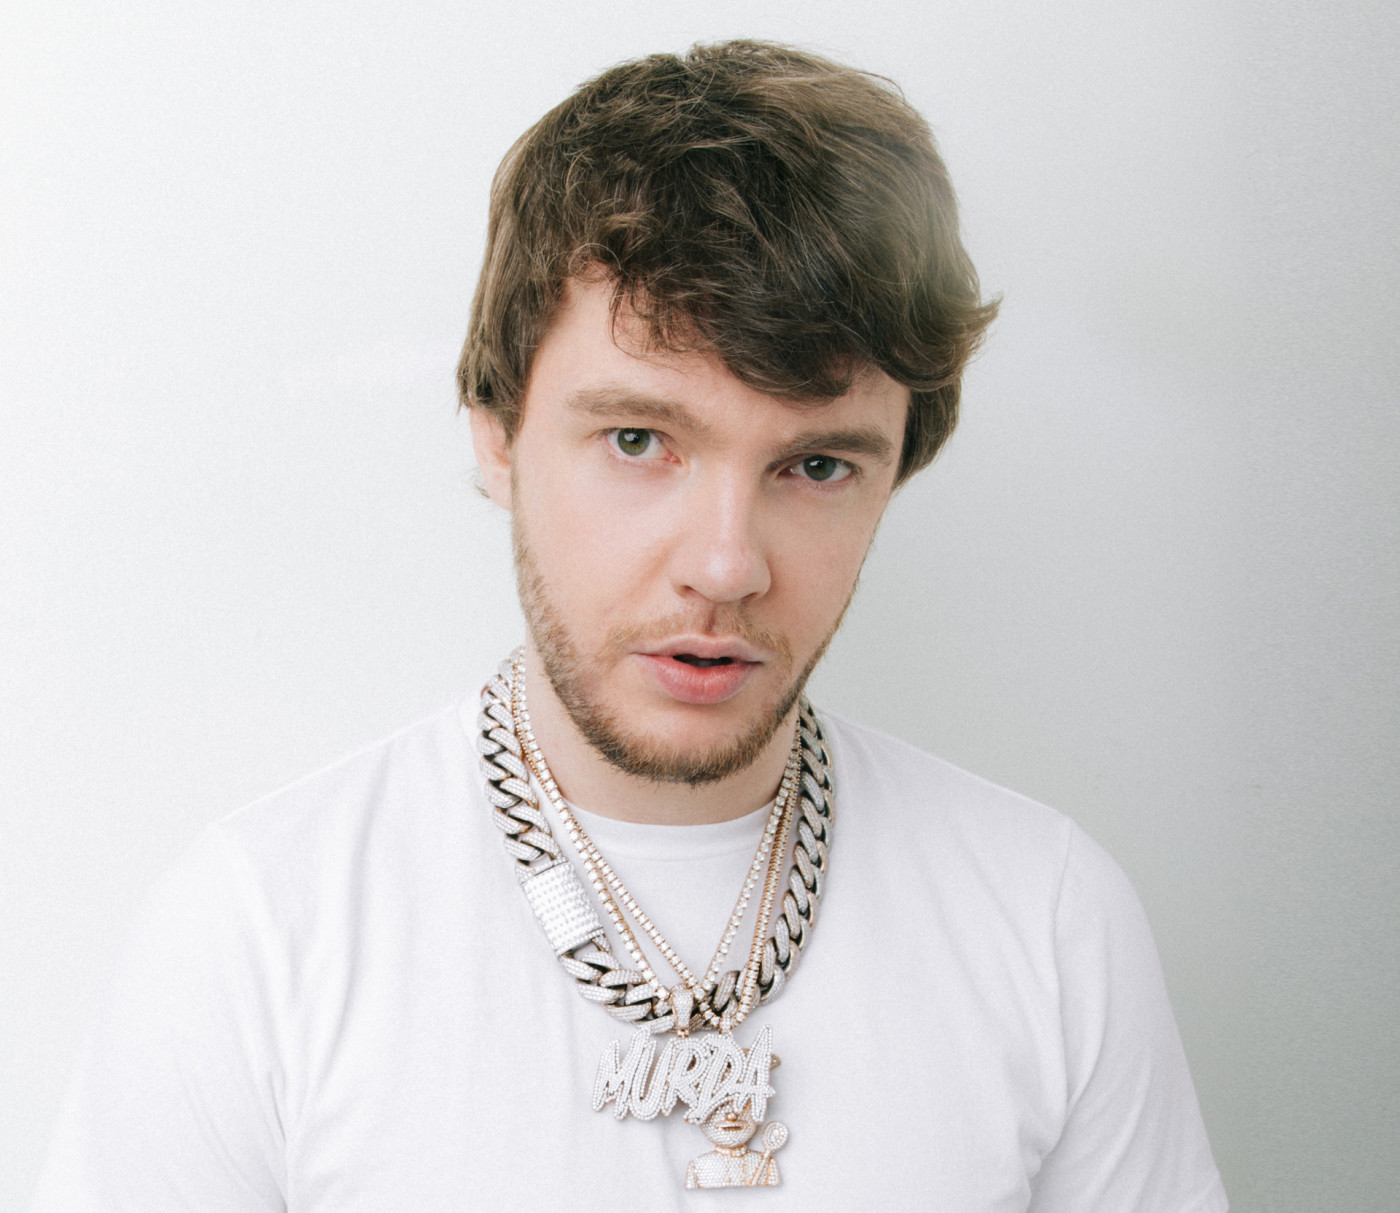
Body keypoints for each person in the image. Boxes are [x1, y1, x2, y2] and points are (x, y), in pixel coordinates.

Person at [29, 40, 1228, 1212]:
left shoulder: (1045, 917)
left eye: (814, 464)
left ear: (894, 472)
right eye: (639, 440)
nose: (724, 565)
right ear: (497, 435)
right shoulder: (261, 934)